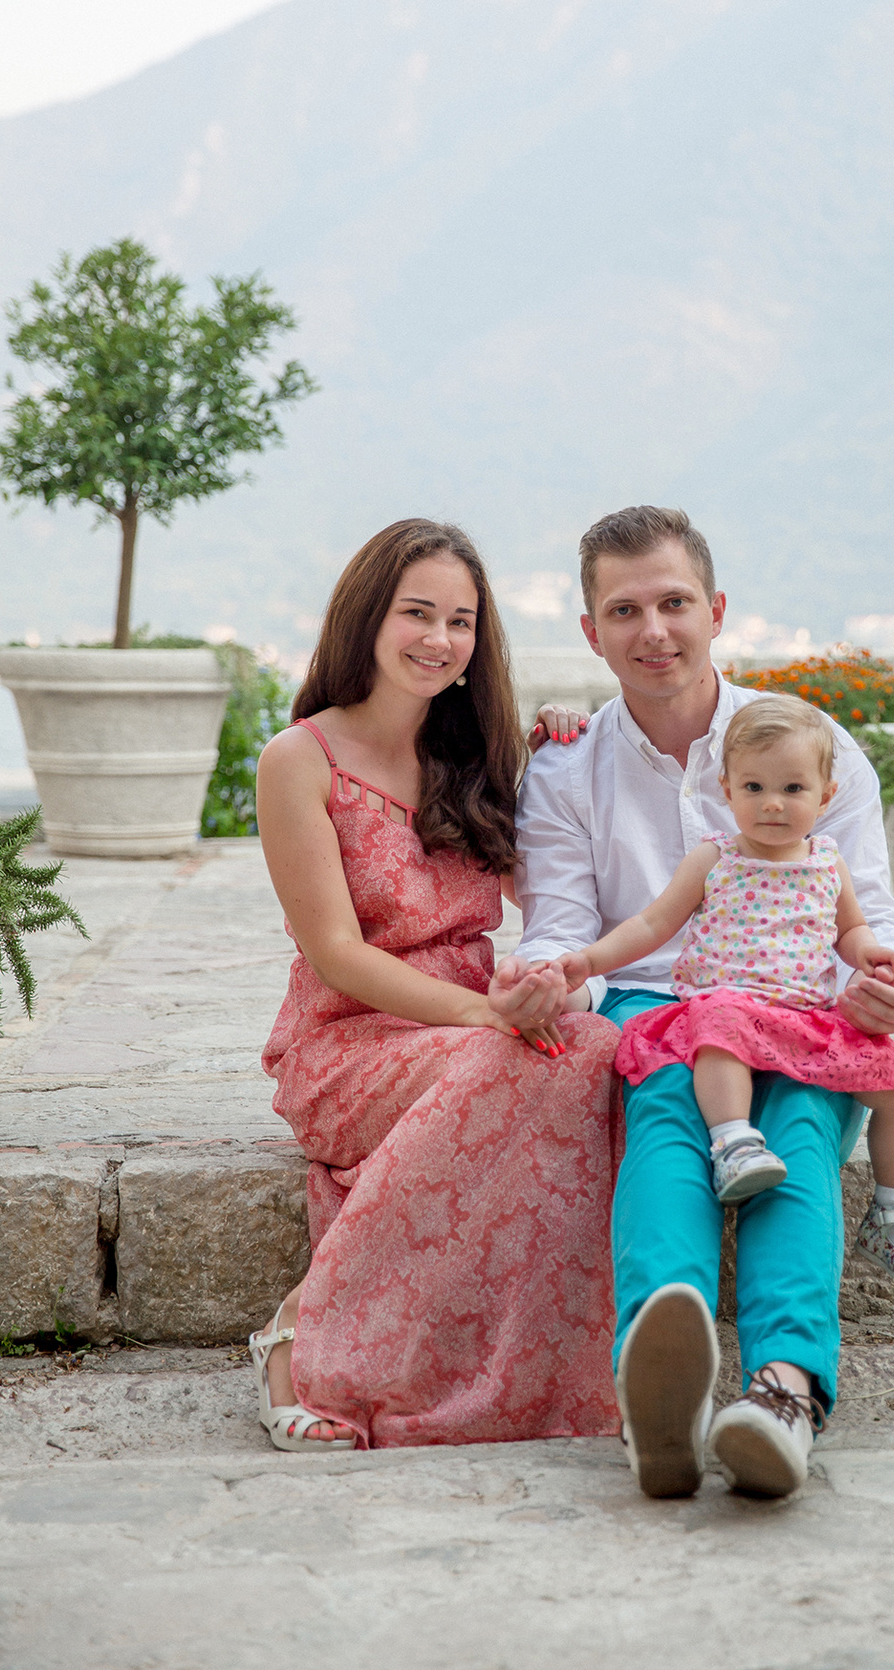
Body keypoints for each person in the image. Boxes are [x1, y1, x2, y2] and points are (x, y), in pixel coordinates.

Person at [514, 504, 894, 1500]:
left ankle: (781, 1393)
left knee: (798, 1122)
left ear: (715, 610)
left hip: (799, 999)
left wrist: (884, 983)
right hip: (652, 1003)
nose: (652, 630)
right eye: (624, 610)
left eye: (672, 603)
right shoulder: (566, 770)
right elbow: (562, 929)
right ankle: (661, 1380)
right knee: (664, 1117)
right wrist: (544, 978)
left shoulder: (812, 752)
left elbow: (870, 911)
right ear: (591, 632)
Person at [250, 517, 621, 1452]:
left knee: (599, 1047)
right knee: (525, 1062)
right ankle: (296, 1331)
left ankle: (531, 1365)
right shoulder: (300, 760)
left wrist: (571, 753)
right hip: (350, 1039)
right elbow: (335, 950)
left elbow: (561, 891)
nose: (438, 639)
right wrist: (483, 1012)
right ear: (368, 617)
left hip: (468, 1031)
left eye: (460, 622)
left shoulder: (481, 757)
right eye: (417, 613)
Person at [546, 694, 894, 1287]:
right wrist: (587, 959)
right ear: (727, 790)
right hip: (727, 1004)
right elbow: (653, 924)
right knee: (720, 1031)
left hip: (804, 1015)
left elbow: (852, 929)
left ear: (825, 796)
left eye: (793, 789)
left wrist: (873, 958)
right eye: (753, 788)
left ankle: (893, 1214)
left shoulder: (827, 861)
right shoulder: (715, 858)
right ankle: (733, 1141)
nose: (772, 804)